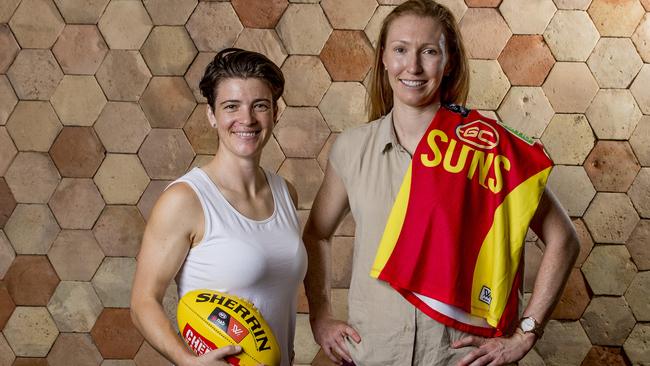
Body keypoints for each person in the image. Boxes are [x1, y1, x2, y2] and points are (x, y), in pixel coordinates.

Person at [302, 1, 579, 365]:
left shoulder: (488, 151)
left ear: (449, 63)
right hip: (375, 354)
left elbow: (564, 239)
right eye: (400, 50)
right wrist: (320, 317)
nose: (412, 67)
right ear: (383, 57)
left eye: (429, 52)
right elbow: (316, 233)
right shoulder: (352, 148)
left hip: (457, 357)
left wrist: (526, 332)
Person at [131, 48, 307, 366]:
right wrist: (186, 360)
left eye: (260, 106)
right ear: (212, 115)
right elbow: (143, 302)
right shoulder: (186, 200)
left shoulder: (285, 194)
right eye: (231, 106)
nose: (247, 119)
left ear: (275, 113)